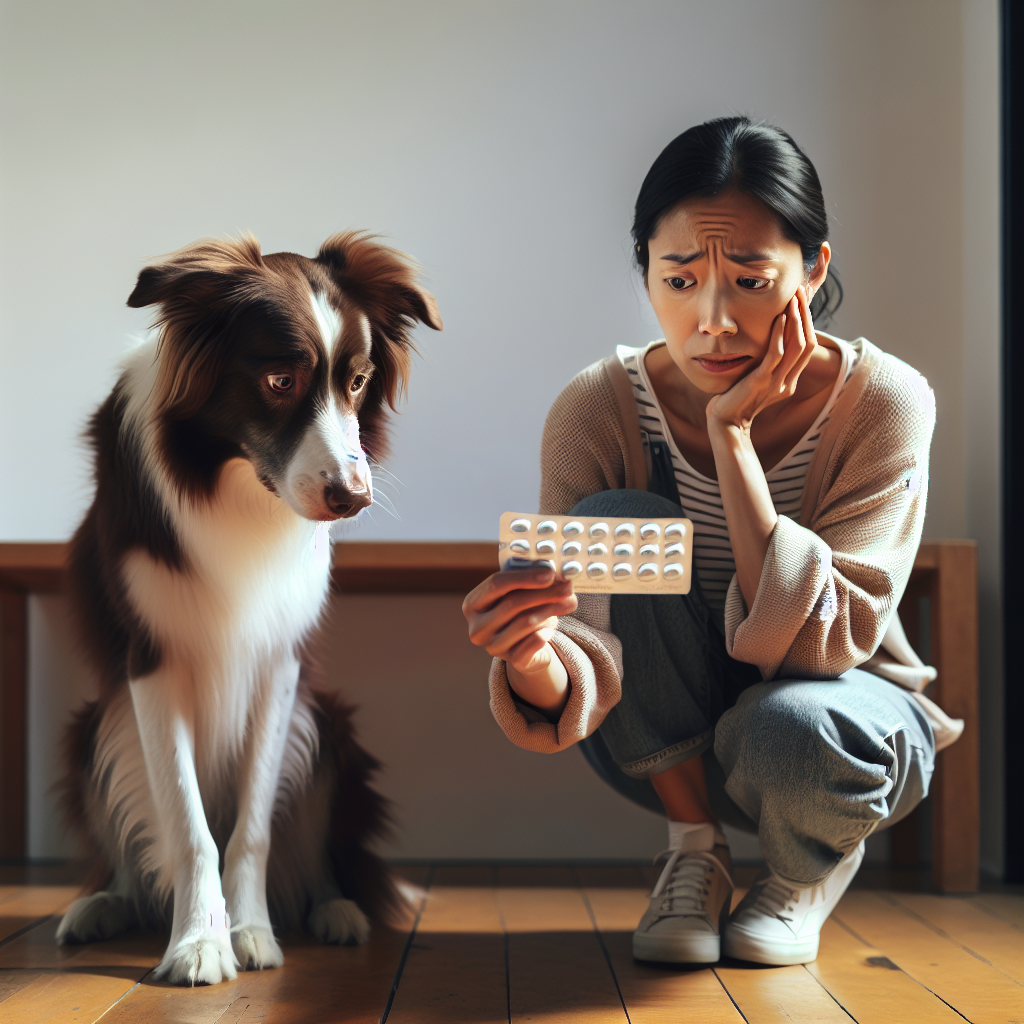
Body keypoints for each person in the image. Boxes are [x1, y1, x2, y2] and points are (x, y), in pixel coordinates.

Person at [463, 116, 948, 967]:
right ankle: (695, 851)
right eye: (680, 279)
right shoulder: (597, 407)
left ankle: (805, 872)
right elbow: (583, 651)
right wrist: (531, 650)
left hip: (841, 729)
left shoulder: (884, 402)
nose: (714, 321)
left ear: (814, 269)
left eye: (753, 281)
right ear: (645, 272)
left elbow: (821, 647)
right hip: (665, 738)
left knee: (791, 726)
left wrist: (733, 440)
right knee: (616, 517)